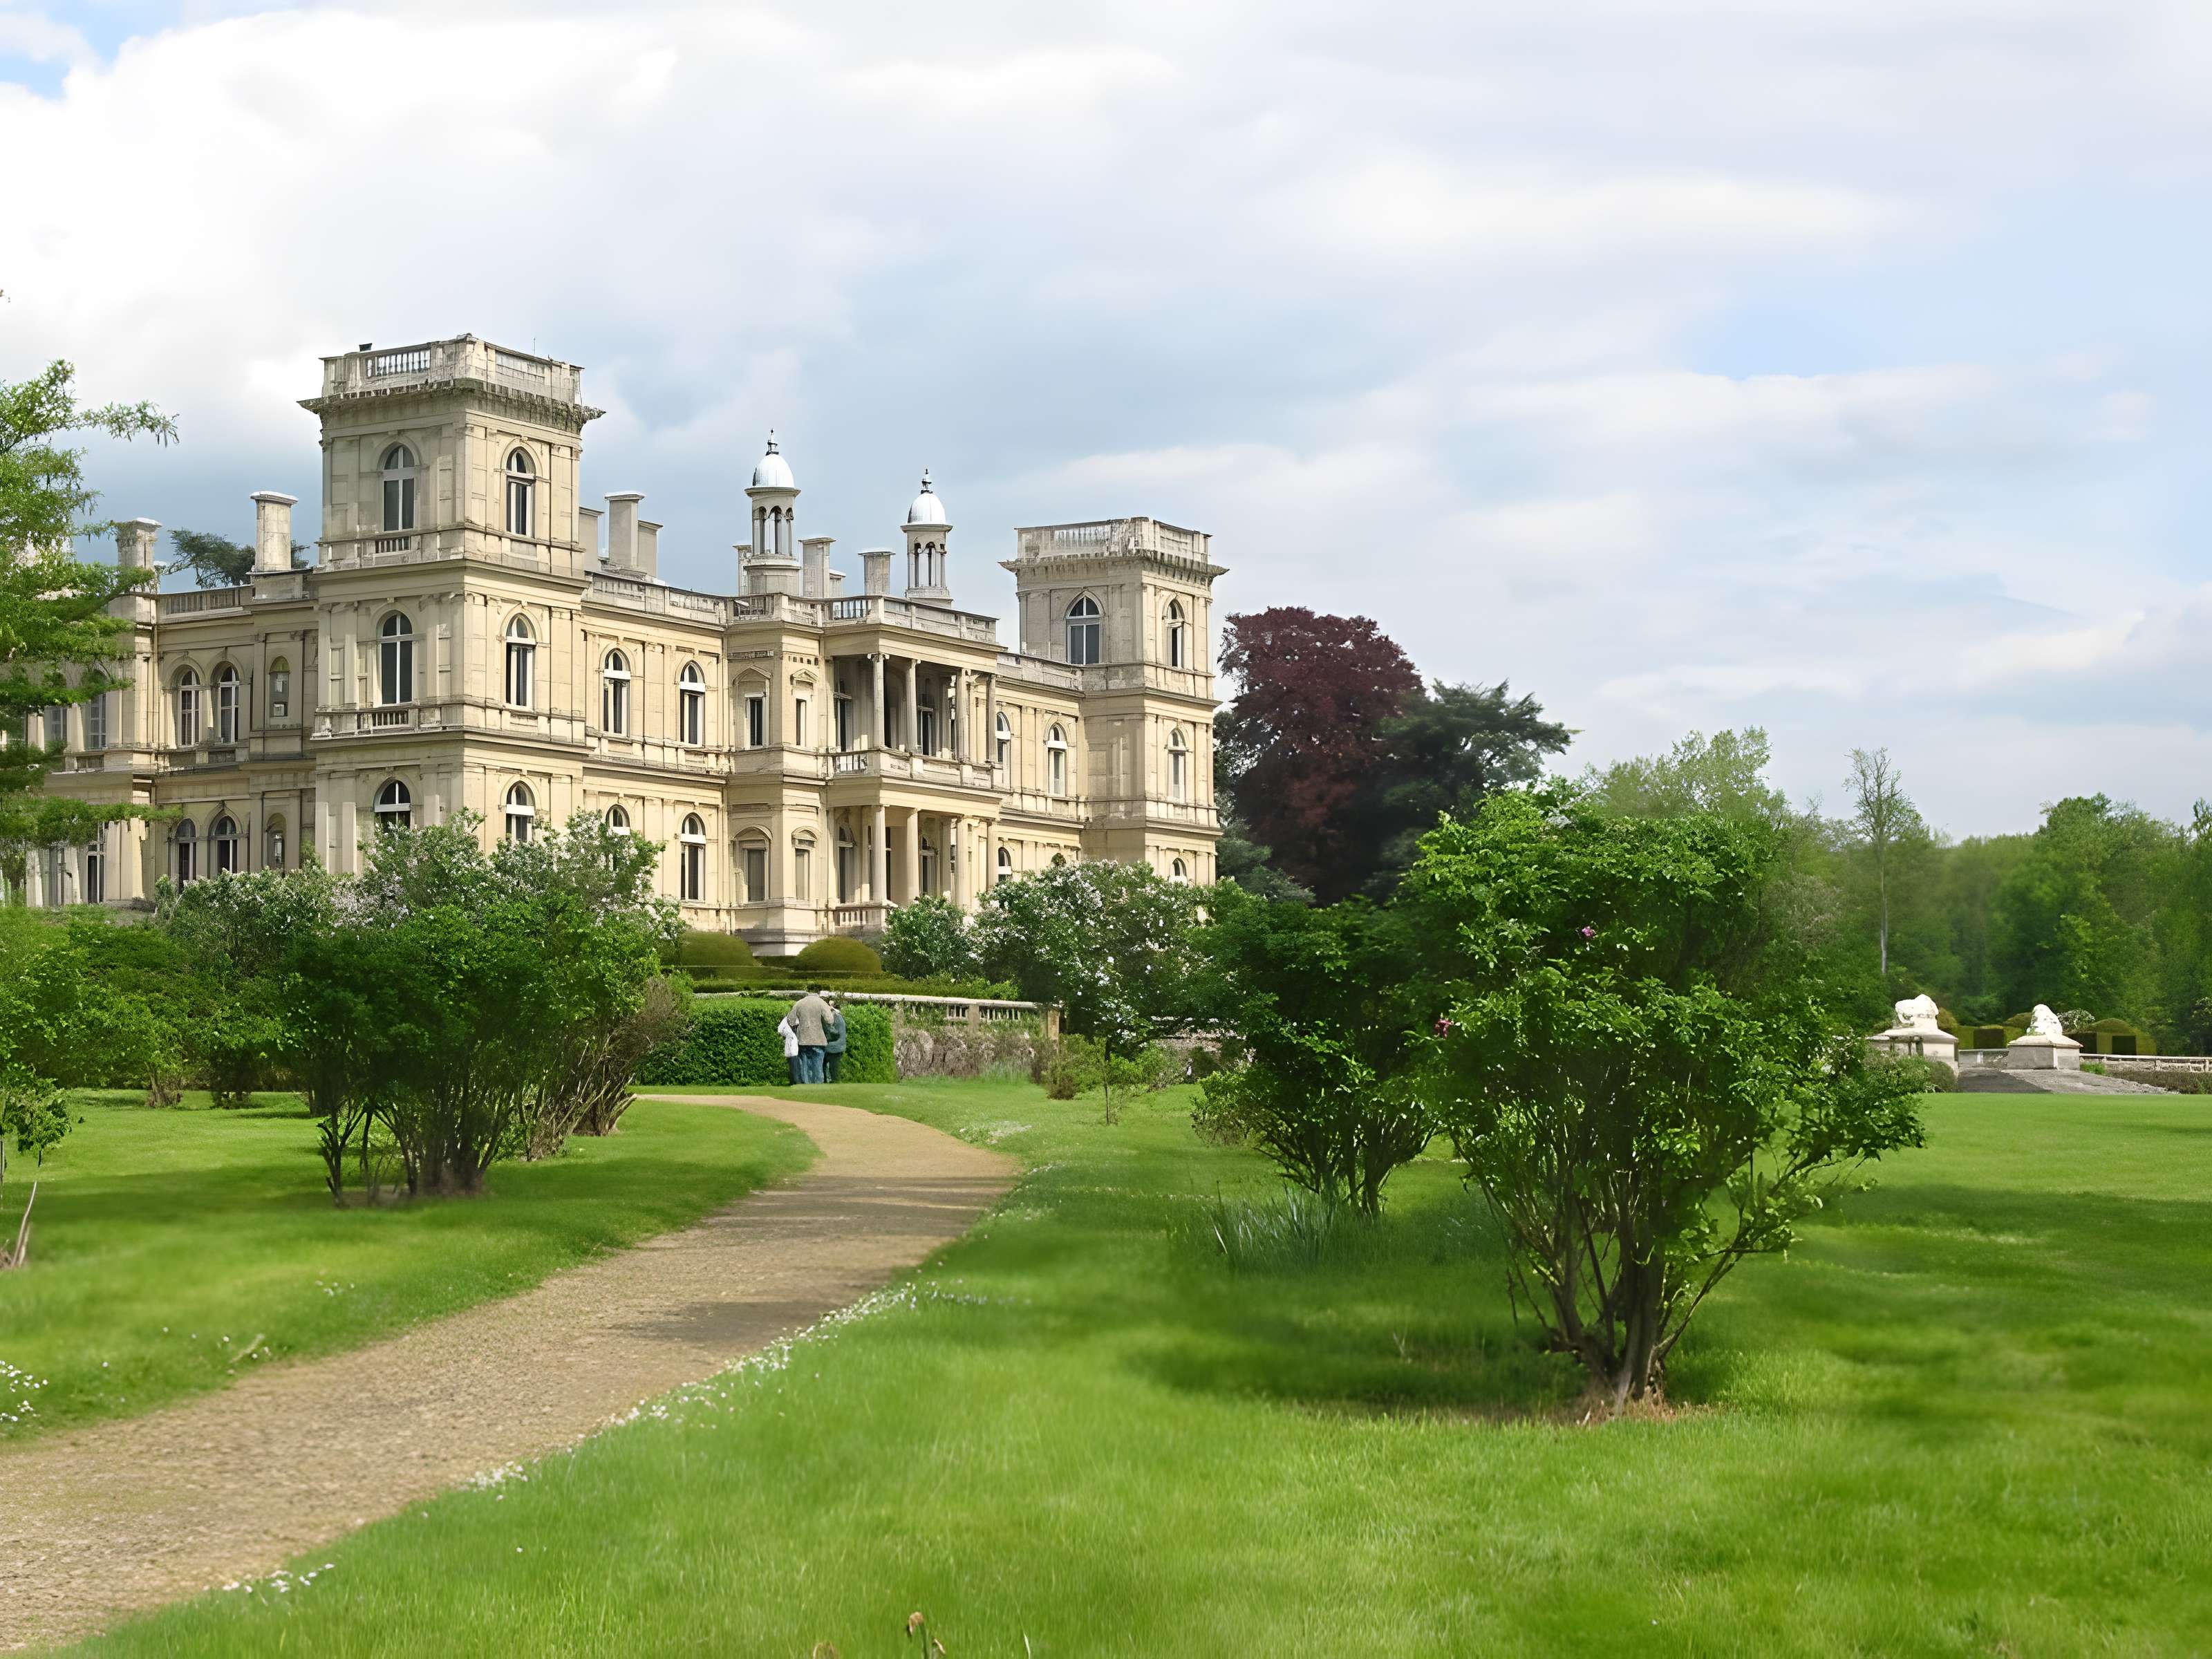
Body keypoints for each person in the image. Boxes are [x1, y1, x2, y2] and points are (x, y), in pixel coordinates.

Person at [789, 988, 832, 1085]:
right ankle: (817, 1088)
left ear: (807, 991)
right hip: (818, 1040)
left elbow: (790, 1020)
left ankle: (806, 1086)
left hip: (803, 1040)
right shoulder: (821, 1003)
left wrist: (797, 1028)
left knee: (804, 1067)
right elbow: (830, 1020)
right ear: (818, 992)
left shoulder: (799, 1003)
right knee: (817, 1066)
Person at [822, 995, 847, 1083]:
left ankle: (834, 1085)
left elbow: (835, 1034)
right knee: (824, 1069)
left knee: (834, 1073)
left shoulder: (836, 1017)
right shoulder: (836, 1016)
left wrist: (826, 1028)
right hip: (832, 1047)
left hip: (835, 1048)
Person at [776, 1007, 803, 1085]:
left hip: (792, 1042)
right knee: (794, 1064)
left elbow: (780, 1030)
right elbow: (780, 1030)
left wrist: (786, 1034)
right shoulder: (797, 1019)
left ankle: (793, 1081)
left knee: (792, 1064)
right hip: (794, 1043)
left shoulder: (786, 1019)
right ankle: (796, 1081)